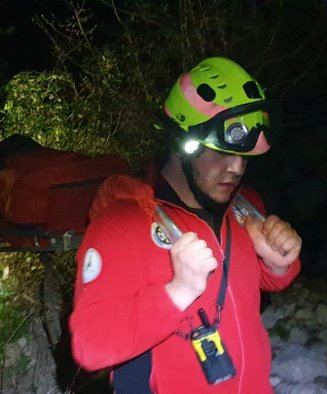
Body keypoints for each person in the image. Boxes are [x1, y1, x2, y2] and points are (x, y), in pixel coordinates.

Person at [69, 57, 302, 393]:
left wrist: (279, 264)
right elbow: (91, 347)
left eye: (245, 157)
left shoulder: (243, 209)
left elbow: (251, 284)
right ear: (183, 146)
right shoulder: (122, 225)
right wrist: (176, 293)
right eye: (221, 153)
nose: (236, 169)